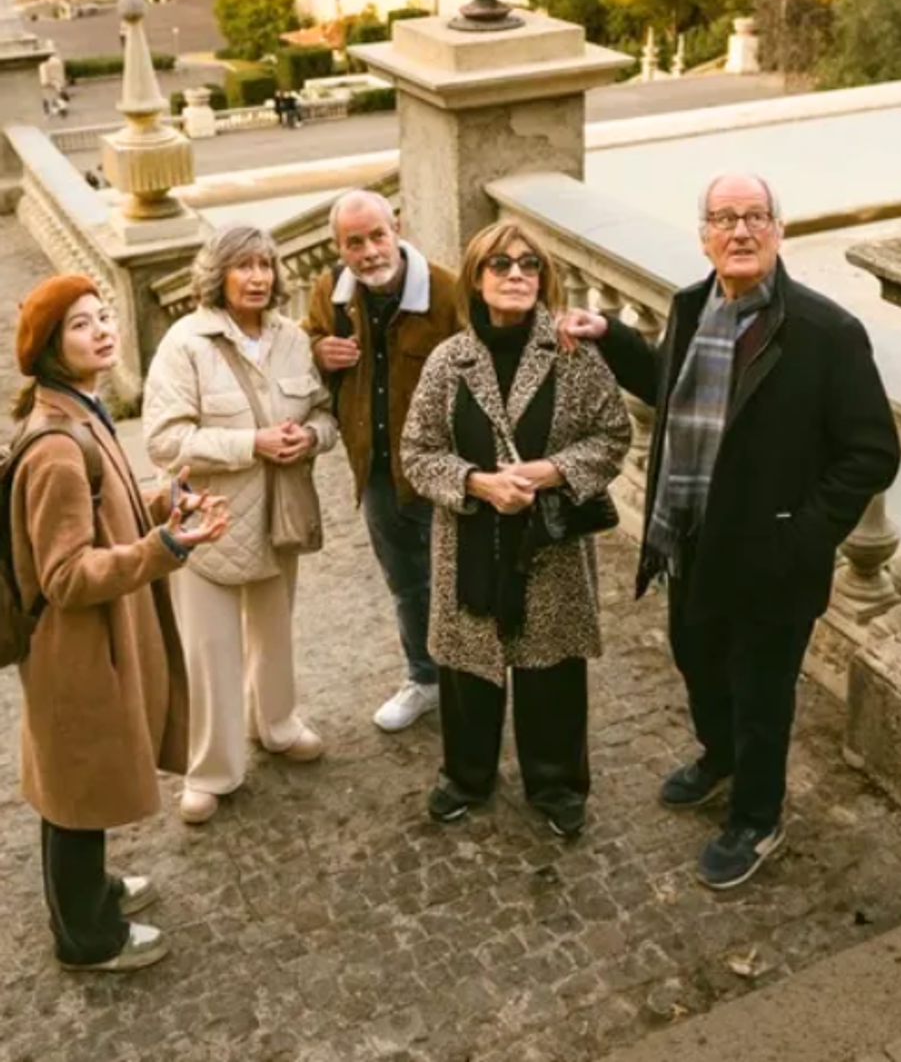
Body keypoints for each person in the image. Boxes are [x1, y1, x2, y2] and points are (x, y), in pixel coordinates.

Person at [565, 173, 900, 889]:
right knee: (697, 662)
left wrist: (802, 534)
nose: (740, 231)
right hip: (689, 539)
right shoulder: (692, 307)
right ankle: (719, 759)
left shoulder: (825, 332)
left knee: (761, 693)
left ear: (778, 232)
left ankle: (757, 816)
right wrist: (611, 336)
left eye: (754, 217)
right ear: (705, 236)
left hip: (773, 558)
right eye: (724, 218)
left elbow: (873, 451)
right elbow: (673, 386)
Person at [7, 274, 230, 971]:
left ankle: (91, 893)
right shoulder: (55, 450)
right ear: (48, 348)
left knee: (82, 778)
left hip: (91, 641)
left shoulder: (79, 412)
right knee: (76, 788)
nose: (103, 329)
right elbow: (68, 576)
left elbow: (107, 507)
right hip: (75, 646)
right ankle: (86, 939)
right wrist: (166, 549)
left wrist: (164, 501)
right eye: (80, 324)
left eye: (104, 317)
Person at [399, 220, 632, 840]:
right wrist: (478, 483)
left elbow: (613, 436)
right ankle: (466, 777)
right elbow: (417, 452)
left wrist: (553, 470)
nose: (516, 275)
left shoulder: (572, 354)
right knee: (467, 669)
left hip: (548, 546)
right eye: (500, 264)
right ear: (476, 278)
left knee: (550, 667)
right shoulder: (451, 361)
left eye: (529, 265)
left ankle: (556, 784)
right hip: (469, 544)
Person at [143, 225, 338, 824]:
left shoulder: (291, 339)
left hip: (280, 514)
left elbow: (325, 416)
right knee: (211, 651)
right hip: (210, 522)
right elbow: (163, 440)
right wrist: (250, 443)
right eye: (243, 266)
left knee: (275, 633)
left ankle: (277, 725)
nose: (258, 277)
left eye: (265, 265)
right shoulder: (185, 344)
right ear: (218, 274)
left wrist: (309, 436)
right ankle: (210, 771)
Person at [301, 190, 462, 732]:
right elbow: (306, 349)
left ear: (397, 227)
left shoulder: (445, 291)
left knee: (460, 576)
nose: (369, 252)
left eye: (377, 236)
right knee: (406, 582)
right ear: (338, 247)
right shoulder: (330, 292)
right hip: (375, 468)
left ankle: (471, 679)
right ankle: (424, 678)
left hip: (442, 467)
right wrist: (319, 352)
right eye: (355, 242)